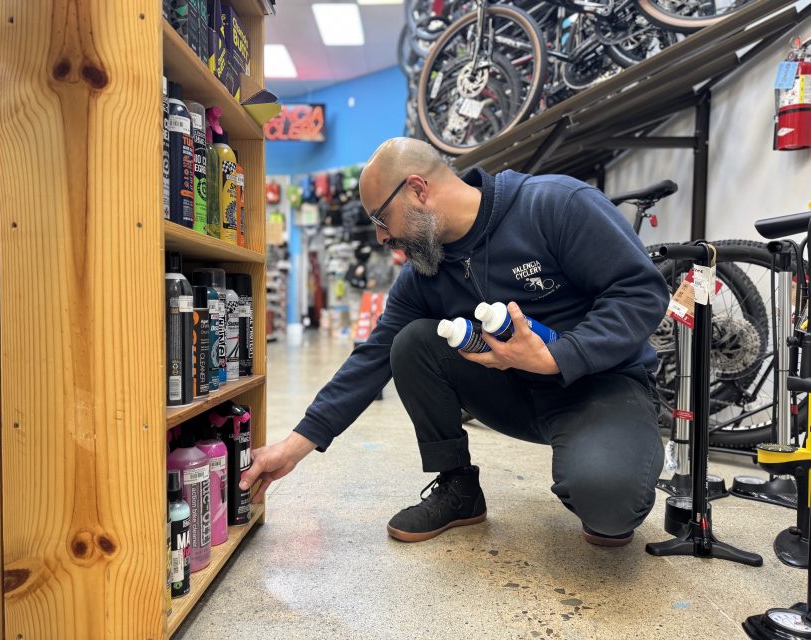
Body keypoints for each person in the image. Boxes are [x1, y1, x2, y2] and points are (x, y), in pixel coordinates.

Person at [241, 137, 669, 547]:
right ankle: (458, 488)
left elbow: (641, 291)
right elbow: (371, 359)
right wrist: (294, 447)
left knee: (608, 507)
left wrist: (559, 356)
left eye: (380, 219)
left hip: (602, 385)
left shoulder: (555, 205)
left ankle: (599, 469)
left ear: (417, 189)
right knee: (412, 342)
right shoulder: (423, 275)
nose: (381, 237)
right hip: (516, 393)